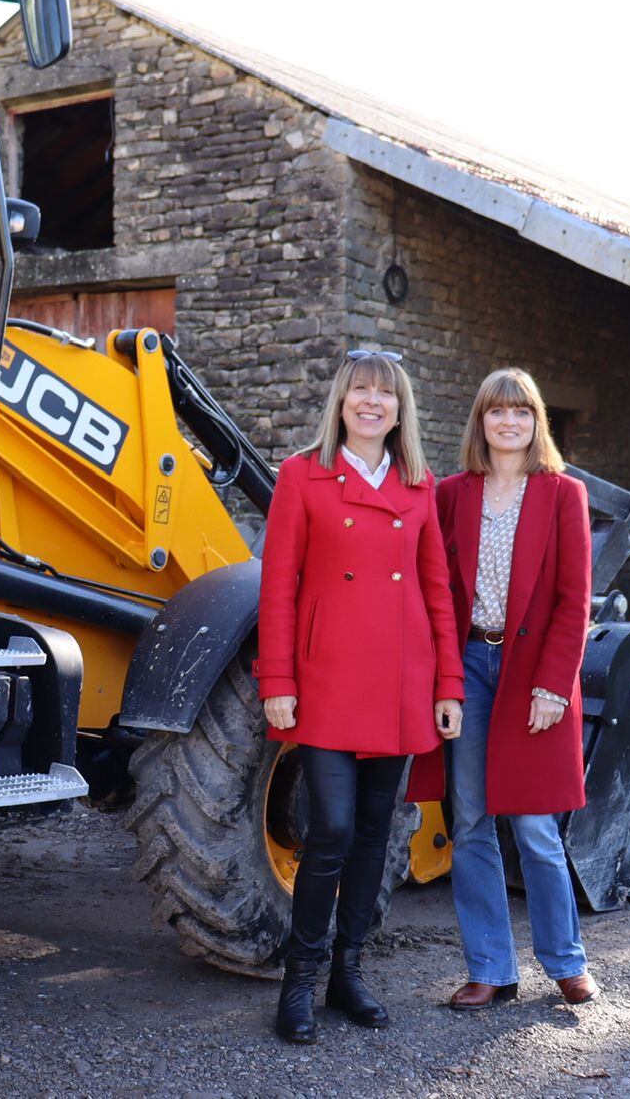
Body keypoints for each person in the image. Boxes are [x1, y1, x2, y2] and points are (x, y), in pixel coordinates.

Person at [255, 349, 463, 1043]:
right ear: (341, 403)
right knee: (333, 829)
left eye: (385, 394)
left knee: (375, 835)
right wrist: (276, 683)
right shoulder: (302, 476)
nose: (372, 403)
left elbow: (438, 592)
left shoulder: (418, 485)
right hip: (328, 681)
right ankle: (300, 981)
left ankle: (349, 974)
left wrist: (448, 685)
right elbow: (277, 588)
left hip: (404, 683)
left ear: (400, 408)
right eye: (359, 392)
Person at [409, 366, 599, 1010]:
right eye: (497, 411)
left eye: (521, 411)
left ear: (536, 421)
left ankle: (566, 962)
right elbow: (434, 588)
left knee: (536, 826)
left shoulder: (563, 494)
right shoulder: (452, 494)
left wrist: (554, 685)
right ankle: (490, 967)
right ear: (481, 421)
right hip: (468, 666)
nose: (508, 422)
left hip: (532, 676)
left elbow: (575, 603)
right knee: (468, 824)